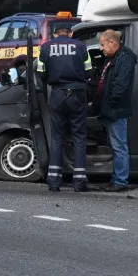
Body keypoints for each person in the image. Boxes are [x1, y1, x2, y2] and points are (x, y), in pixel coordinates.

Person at [36, 24, 93, 192]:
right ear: (71, 33)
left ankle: (54, 181)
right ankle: (80, 181)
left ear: (54, 34)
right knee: (79, 137)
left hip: (58, 94)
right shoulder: (81, 46)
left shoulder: (45, 48)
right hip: (77, 94)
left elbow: (40, 73)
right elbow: (89, 72)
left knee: (57, 137)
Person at [94, 29, 137, 192]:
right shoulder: (114, 58)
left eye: (103, 44)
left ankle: (120, 181)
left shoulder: (124, 59)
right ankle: (116, 179)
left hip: (116, 110)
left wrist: (109, 104)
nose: (101, 48)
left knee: (119, 146)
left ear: (112, 43)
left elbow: (120, 86)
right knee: (115, 146)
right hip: (112, 109)